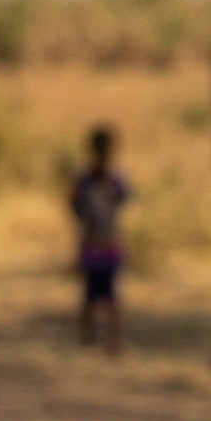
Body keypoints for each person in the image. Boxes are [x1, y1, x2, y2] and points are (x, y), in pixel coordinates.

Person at [69, 126, 132, 355]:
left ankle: (112, 342)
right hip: (96, 242)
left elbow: (124, 199)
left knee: (110, 297)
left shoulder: (115, 177)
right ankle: (90, 341)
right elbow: (75, 207)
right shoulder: (86, 178)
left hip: (108, 243)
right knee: (92, 296)